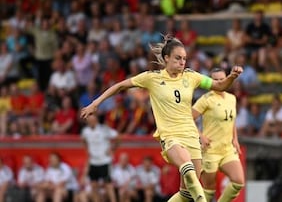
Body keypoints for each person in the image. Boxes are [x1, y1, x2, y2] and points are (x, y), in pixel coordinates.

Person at [80, 36, 243, 202]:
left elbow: (220, 86)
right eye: (178, 58)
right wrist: (96, 103)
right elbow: (120, 85)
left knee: (186, 194)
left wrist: (232, 76)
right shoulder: (153, 78)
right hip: (170, 136)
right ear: (166, 58)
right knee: (188, 169)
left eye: (184, 59)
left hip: (191, 136)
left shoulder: (191, 76)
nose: (182, 62)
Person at [192, 68, 245, 202]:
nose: (219, 82)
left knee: (238, 181)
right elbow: (188, 118)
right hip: (210, 150)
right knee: (209, 189)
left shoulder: (232, 98)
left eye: (222, 79)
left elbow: (231, 121)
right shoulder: (205, 99)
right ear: (210, 82)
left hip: (227, 149)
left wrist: (235, 139)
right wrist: (200, 136)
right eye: (215, 79)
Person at [81, 114, 117, 202]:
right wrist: (88, 151)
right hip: (93, 161)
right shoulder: (85, 131)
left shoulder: (103, 129)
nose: (91, 122)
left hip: (104, 161)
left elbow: (117, 137)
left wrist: (112, 149)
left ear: (96, 120)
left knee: (108, 185)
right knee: (93, 185)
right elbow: (84, 141)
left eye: (93, 120)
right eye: (89, 121)